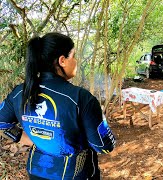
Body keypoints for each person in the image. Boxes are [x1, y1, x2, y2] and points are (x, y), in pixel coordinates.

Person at [0, 32, 116, 179]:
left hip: (37, 171)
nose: (76, 61)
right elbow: (104, 146)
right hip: (74, 174)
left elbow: (1, 123)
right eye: (73, 56)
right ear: (62, 60)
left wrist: (29, 138)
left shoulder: (20, 92)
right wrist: (100, 118)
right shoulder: (80, 97)